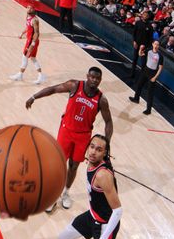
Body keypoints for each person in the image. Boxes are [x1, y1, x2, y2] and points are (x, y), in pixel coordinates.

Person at [25, 67, 113, 212]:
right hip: (66, 131)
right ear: (87, 76)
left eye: (97, 78)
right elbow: (53, 89)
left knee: (73, 166)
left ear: (100, 80)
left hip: (83, 136)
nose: (94, 80)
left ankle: (65, 192)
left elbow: (109, 122)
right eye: (92, 77)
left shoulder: (101, 100)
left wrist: (106, 143)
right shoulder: (74, 85)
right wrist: (34, 97)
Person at [9, 5, 45, 84]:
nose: (29, 9)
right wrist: (22, 34)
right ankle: (41, 75)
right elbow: (28, 27)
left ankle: (20, 75)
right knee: (33, 58)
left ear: (34, 10)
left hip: (32, 41)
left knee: (24, 57)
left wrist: (33, 43)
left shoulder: (35, 20)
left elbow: (37, 33)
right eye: (28, 7)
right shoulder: (28, 17)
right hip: (30, 40)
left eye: (31, 8)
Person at [129, 40, 164, 115]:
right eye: (155, 44)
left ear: (159, 46)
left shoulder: (160, 56)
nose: (156, 46)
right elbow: (140, 54)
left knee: (150, 92)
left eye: (158, 45)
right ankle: (136, 98)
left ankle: (148, 110)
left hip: (153, 73)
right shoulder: (148, 51)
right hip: (146, 70)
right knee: (139, 85)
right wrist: (140, 49)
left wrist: (155, 77)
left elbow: (160, 68)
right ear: (152, 44)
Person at [130, 11, 152, 79]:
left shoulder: (150, 26)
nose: (145, 16)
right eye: (144, 15)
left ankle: (142, 77)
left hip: (144, 47)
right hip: (137, 44)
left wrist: (145, 46)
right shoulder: (138, 23)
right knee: (135, 59)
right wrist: (134, 41)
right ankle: (132, 73)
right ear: (142, 15)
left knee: (143, 63)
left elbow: (150, 38)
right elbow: (134, 33)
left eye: (146, 15)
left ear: (148, 17)